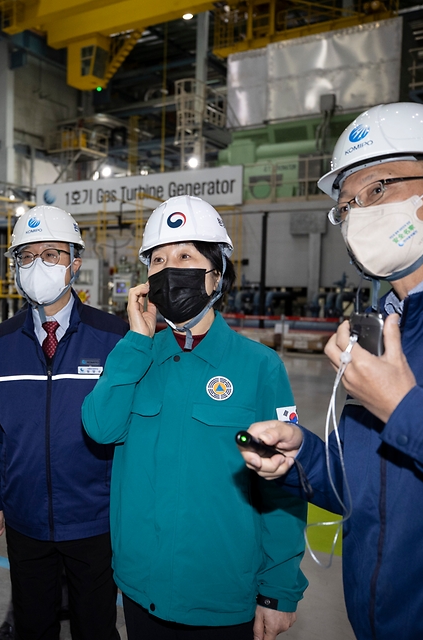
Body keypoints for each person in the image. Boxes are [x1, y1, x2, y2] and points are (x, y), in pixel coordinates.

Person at [239, 103, 423, 640]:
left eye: (376, 190)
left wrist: (405, 411)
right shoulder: (375, 332)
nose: (357, 213)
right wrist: (303, 456)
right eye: (347, 203)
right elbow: (367, 487)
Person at [82, 195, 308, 640]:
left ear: (216, 273)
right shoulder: (135, 358)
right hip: (140, 586)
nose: (170, 269)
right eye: (158, 259)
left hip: (222, 593)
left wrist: (278, 589)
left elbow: (282, 482)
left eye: (185, 255)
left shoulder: (260, 367)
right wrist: (135, 342)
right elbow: (100, 427)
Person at [0, 205, 127, 640]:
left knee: (95, 626)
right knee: (32, 625)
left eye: (52, 254)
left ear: (75, 264)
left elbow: (129, 433)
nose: (38, 264)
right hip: (25, 518)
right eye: (26, 256)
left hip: (96, 519)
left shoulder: (114, 338)